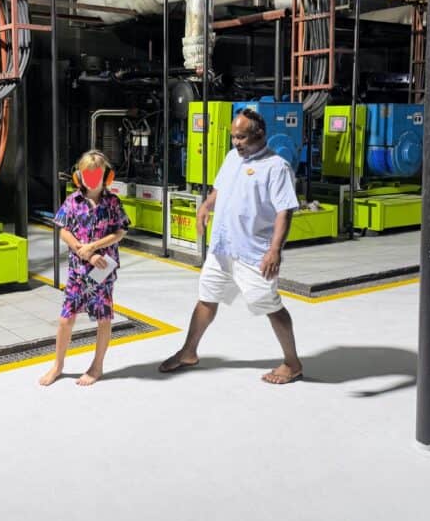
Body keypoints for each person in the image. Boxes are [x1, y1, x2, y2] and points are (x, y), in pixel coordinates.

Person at [159, 108, 303, 384]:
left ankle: (292, 363)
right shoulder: (232, 158)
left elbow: (285, 211)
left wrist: (275, 250)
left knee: (272, 307)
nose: (236, 142)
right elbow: (219, 189)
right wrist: (205, 206)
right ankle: (189, 352)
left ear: (259, 135)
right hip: (222, 247)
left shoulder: (276, 167)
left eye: (242, 137)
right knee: (206, 298)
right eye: (234, 137)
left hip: (252, 254)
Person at [40, 150, 130, 387]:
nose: (92, 180)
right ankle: (58, 365)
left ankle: (97, 366)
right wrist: (82, 249)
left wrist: (94, 247)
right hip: (78, 270)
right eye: (87, 175)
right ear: (80, 176)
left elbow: (120, 231)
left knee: (103, 319)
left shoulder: (112, 203)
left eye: (97, 175)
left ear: (106, 177)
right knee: (66, 319)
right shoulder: (72, 201)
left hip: (102, 271)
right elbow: (63, 230)